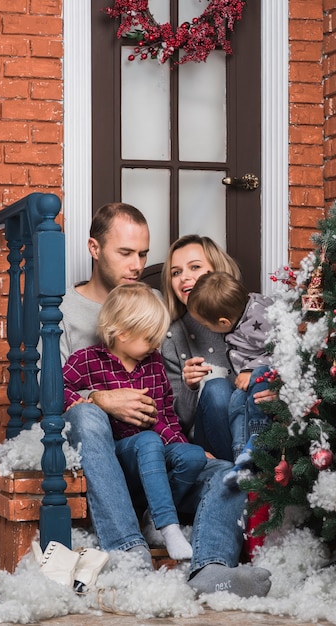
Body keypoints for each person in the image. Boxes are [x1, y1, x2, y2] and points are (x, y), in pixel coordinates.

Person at [61, 203, 271, 598]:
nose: (138, 264)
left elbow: (167, 412)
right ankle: (128, 552)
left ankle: (210, 566)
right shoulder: (64, 317)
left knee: (227, 468)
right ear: (94, 248)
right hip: (112, 452)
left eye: (143, 253)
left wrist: (188, 446)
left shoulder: (158, 330)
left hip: (161, 460)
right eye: (126, 253)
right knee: (92, 418)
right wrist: (100, 399)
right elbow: (56, 402)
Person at [62, 282, 207, 561]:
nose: (155, 345)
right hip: (120, 456)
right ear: (121, 332)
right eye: (149, 338)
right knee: (148, 440)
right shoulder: (86, 361)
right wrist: (82, 400)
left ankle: (153, 516)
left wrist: (179, 445)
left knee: (193, 456)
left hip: (154, 454)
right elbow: (59, 389)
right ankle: (170, 526)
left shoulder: (153, 365)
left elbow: (165, 415)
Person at [161, 235, 272, 462]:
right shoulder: (173, 336)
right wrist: (189, 387)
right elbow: (176, 421)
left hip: (258, 429)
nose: (185, 277)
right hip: (212, 446)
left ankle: (254, 467)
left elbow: (287, 356)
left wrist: (275, 388)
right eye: (176, 272)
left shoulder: (253, 317)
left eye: (195, 267)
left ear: (217, 271)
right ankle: (238, 470)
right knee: (217, 388)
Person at [187, 271, 274, 486]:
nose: (185, 278)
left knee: (251, 397)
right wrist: (189, 386)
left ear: (224, 321)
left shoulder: (257, 322)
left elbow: (283, 347)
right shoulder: (242, 310)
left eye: (207, 326)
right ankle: (241, 457)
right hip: (234, 401)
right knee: (234, 399)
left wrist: (251, 370)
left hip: (262, 380)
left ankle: (255, 447)